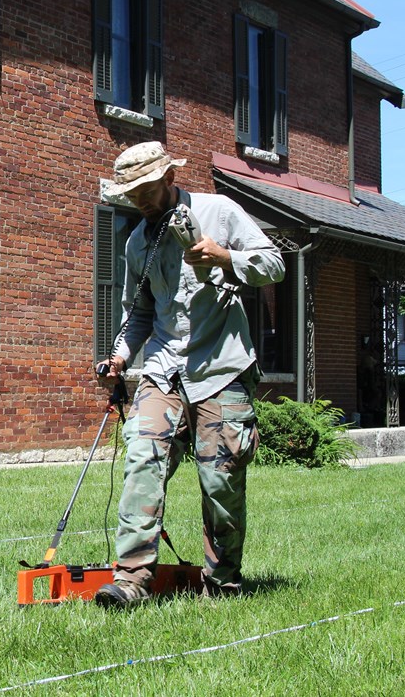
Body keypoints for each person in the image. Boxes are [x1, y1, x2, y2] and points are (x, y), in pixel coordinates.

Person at [93, 141, 285, 607]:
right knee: (142, 459)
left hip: (220, 366)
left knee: (221, 480)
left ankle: (222, 582)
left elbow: (275, 264)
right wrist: (119, 357)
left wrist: (227, 258)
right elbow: (138, 313)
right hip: (162, 368)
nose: (138, 198)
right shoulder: (136, 241)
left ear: (168, 178)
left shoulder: (218, 211)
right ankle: (132, 578)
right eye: (130, 191)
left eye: (145, 187)